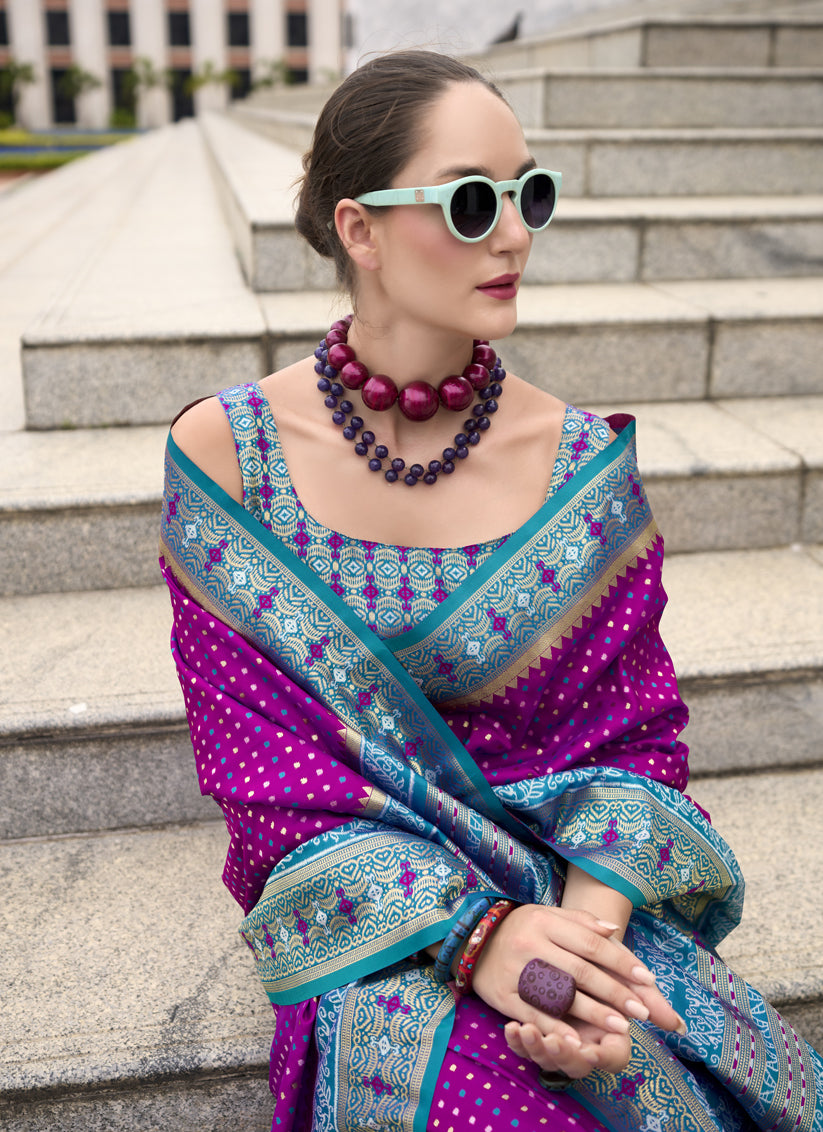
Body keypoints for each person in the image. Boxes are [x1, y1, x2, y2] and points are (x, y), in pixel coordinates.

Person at [160, 50, 823, 1132]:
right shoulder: (226, 460)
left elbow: (634, 745)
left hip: (570, 904)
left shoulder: (575, 463)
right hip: (370, 919)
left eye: (530, 194)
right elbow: (266, 781)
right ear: (359, 230)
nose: (514, 234)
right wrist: (477, 935)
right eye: (472, 202)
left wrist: (583, 952)